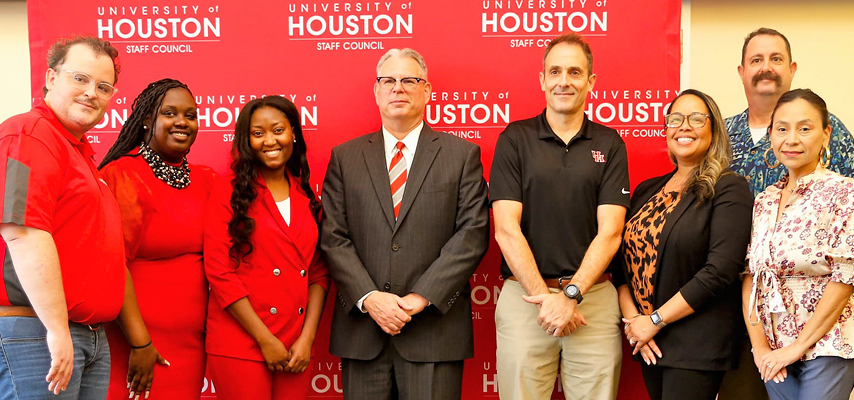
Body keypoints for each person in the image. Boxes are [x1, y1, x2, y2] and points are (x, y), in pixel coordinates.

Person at [321, 48, 489, 399]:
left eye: (408, 80)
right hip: (363, 333)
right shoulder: (345, 157)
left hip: (433, 332)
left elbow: (472, 233)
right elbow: (334, 236)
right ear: (377, 91)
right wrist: (371, 299)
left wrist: (420, 298)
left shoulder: (461, 155)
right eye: (389, 81)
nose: (398, 88)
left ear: (426, 91)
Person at [0, 35, 126, 398]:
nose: (92, 92)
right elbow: (22, 233)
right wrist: (56, 329)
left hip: (82, 335)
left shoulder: (75, 150)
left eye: (103, 86)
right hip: (33, 330)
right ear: (51, 77)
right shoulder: (28, 135)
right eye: (80, 79)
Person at [490, 33, 629, 400]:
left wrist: (570, 295)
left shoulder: (610, 143)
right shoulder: (514, 139)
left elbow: (611, 233)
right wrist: (547, 298)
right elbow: (506, 230)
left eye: (574, 72)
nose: (564, 81)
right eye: (555, 71)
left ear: (591, 81)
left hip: (593, 302)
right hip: (525, 300)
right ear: (542, 80)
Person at [616, 89, 753, 400]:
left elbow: (720, 270)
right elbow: (621, 270)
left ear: (714, 130)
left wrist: (654, 320)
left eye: (696, 119)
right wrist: (635, 322)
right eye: (675, 119)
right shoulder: (646, 190)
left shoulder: (728, 187)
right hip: (649, 341)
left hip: (696, 344)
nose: (684, 126)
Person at [99, 78, 217, 399]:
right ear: (148, 120)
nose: (182, 122)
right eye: (170, 113)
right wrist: (141, 343)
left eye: (190, 115)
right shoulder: (122, 173)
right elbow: (112, 263)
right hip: (136, 345)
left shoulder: (208, 180)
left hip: (192, 346)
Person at [203, 96, 328, 399]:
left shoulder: (307, 197)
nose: (269, 141)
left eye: (278, 130)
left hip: (294, 344)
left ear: (293, 134)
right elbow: (219, 272)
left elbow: (318, 273)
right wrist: (264, 339)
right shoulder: (227, 190)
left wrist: (307, 338)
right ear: (246, 141)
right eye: (258, 133)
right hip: (241, 341)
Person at [742, 89, 854, 400]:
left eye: (804, 128)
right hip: (774, 348)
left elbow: (845, 278)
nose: (791, 139)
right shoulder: (764, 201)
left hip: (828, 344)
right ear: (770, 136)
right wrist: (760, 347)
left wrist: (797, 347)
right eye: (782, 129)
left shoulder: (846, 193)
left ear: (826, 135)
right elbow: (751, 278)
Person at [727, 27, 854, 197]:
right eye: (756, 60)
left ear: (792, 69)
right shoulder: (720, 132)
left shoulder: (826, 128)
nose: (766, 67)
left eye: (776, 59)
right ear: (742, 72)